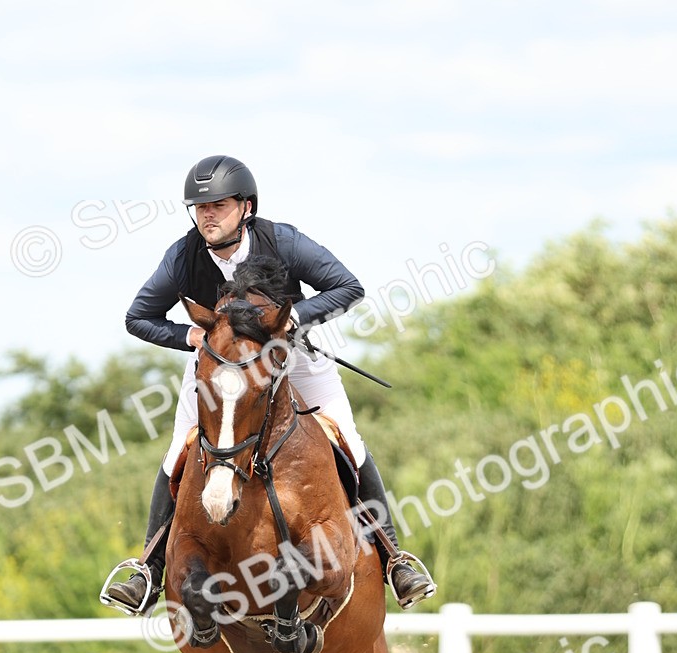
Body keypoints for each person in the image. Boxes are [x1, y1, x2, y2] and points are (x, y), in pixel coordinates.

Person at [103, 154, 435, 614]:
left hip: (289, 357)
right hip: (219, 367)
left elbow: (347, 286)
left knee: (346, 437)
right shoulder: (183, 256)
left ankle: (394, 557)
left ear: (246, 207)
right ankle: (149, 568)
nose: (208, 214)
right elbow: (137, 317)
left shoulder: (282, 241)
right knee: (180, 445)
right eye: (201, 207)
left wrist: (295, 317)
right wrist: (192, 336)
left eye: (219, 204)